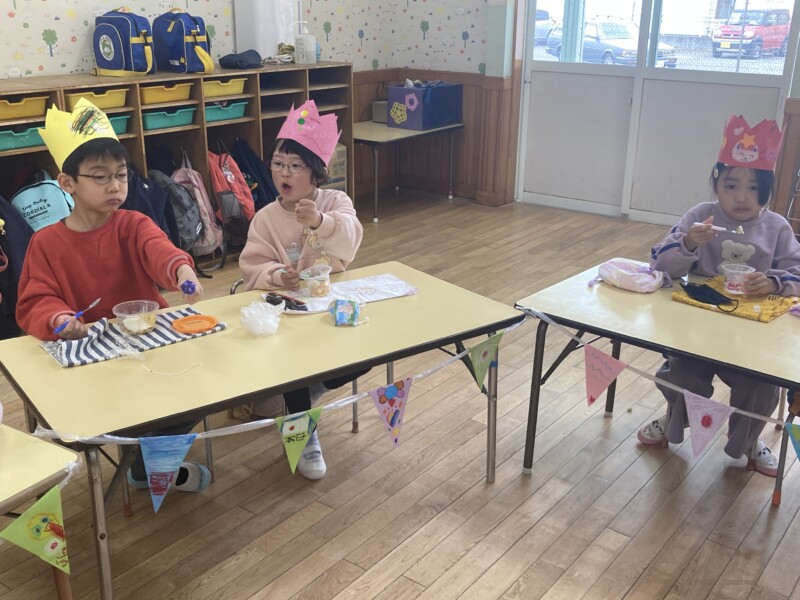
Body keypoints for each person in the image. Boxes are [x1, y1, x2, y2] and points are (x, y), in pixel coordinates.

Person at [16, 98, 209, 492]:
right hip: (90, 359)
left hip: (148, 344)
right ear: (67, 183)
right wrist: (58, 318)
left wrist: (182, 270)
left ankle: (144, 464)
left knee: (202, 389)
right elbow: (36, 299)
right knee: (118, 413)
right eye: (100, 177)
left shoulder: (133, 224)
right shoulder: (46, 242)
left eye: (121, 175)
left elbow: (159, 250)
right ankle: (146, 463)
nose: (115, 186)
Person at [638, 115, 800, 477]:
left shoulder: (777, 227)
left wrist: (773, 283)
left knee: (761, 388)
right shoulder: (701, 217)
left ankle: (748, 440)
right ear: (716, 183)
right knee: (680, 375)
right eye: (731, 185)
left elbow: (798, 273)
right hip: (696, 332)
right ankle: (674, 418)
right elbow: (659, 264)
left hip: (754, 339)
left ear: (767, 191)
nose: (742, 196)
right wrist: (688, 243)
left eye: (754, 188)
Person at [239, 99, 364, 480]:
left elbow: (351, 241)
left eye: (295, 165)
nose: (284, 172)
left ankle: (310, 393)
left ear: (315, 171)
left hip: (331, 301)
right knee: (293, 363)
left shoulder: (334, 201)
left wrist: (321, 221)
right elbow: (251, 266)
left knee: (366, 353)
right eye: (278, 163)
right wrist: (279, 276)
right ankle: (302, 431)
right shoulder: (265, 218)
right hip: (288, 310)